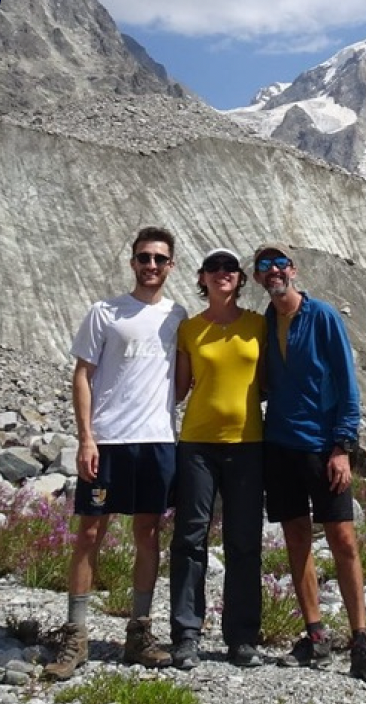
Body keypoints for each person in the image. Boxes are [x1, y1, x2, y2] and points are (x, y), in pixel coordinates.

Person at [44, 227, 187, 680]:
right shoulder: (104, 312)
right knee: (90, 533)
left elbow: (182, 379)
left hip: (157, 440)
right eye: (144, 257)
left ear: (171, 265)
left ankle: (138, 632)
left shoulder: (177, 316)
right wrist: (86, 437)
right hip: (107, 441)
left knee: (148, 533)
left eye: (159, 258)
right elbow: (82, 374)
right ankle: (76, 634)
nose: (151, 265)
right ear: (132, 262)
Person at [252, 243, 366, 686]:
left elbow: (348, 384)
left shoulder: (324, 316)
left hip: (322, 447)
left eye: (280, 264)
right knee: (296, 539)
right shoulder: (264, 322)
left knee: (343, 540)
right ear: (258, 277)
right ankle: (315, 634)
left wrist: (342, 446)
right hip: (280, 445)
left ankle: (361, 641)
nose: (274, 271)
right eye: (265, 266)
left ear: (293, 270)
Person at [169, 248, 266, 670]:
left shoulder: (259, 325)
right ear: (202, 277)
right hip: (197, 444)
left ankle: (242, 637)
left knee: (244, 541)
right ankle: (186, 634)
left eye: (230, 268)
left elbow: (271, 380)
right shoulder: (190, 329)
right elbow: (179, 388)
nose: (222, 273)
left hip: (248, 444)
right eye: (213, 268)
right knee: (190, 538)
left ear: (240, 279)